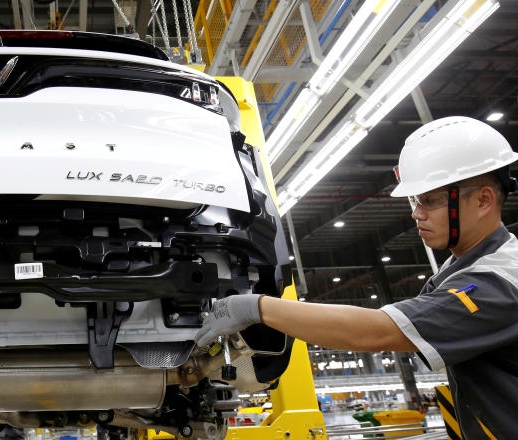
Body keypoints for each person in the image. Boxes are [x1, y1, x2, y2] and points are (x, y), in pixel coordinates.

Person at [195, 116, 518, 439]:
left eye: (430, 201)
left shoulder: (498, 283)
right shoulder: (461, 270)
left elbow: (375, 332)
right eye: (415, 200)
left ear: (483, 200)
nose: (416, 213)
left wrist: (255, 307)